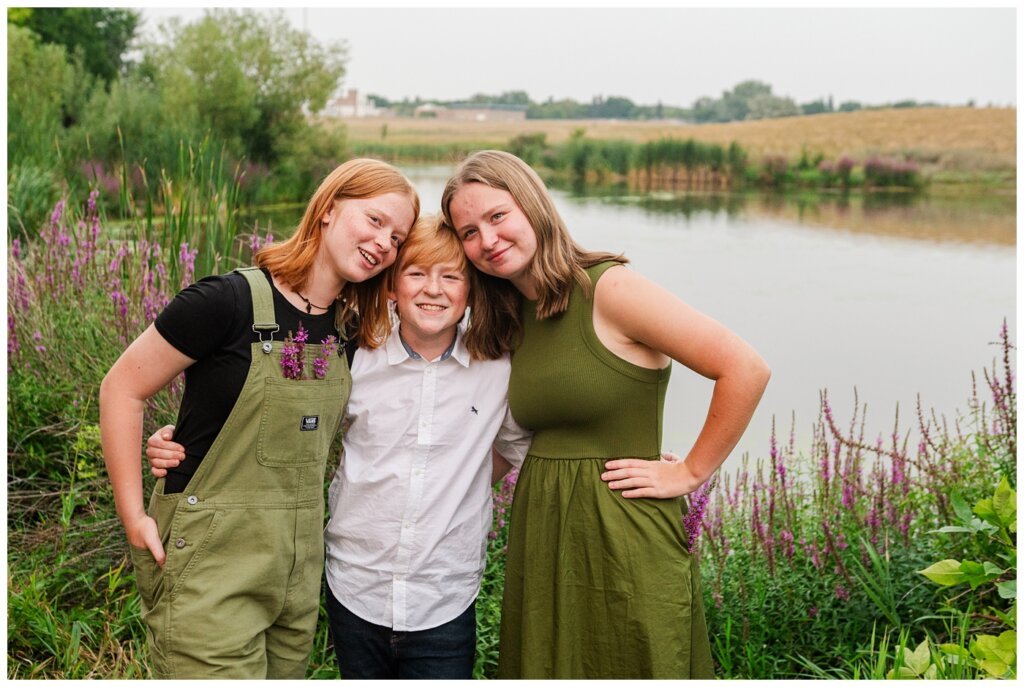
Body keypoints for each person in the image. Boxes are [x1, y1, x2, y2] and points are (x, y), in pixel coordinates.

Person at [144, 215, 533, 679]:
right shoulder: (355, 354)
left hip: (444, 595)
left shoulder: (498, 367)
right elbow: (286, 418)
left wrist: (454, 483)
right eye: (415, 274)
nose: (434, 290)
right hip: (355, 586)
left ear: (472, 291)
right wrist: (185, 440)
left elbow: (515, 443)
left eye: (452, 277)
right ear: (391, 287)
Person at [441, 150, 771, 679]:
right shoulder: (506, 314)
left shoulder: (609, 288)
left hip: (624, 530)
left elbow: (744, 368)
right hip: (544, 534)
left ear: (533, 206)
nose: (486, 240)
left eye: (497, 217)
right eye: (468, 231)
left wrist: (689, 471)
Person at [100, 158, 419, 679]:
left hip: (294, 576)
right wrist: (133, 517)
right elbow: (120, 389)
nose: (386, 242)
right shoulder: (225, 302)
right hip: (210, 565)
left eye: (398, 237)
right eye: (376, 220)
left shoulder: (352, 329)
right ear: (329, 210)